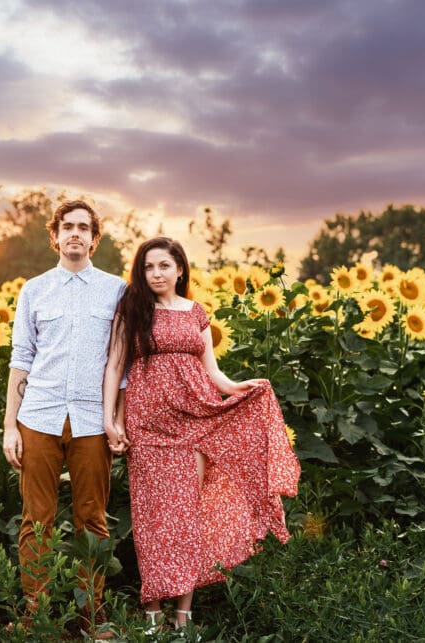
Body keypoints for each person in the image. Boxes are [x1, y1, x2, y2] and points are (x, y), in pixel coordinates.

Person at [102, 237, 300, 630]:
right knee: (152, 517)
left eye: (163, 266)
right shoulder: (133, 309)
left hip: (194, 420)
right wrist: (111, 419)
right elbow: (114, 366)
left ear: (180, 269)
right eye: (148, 267)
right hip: (148, 426)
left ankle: (182, 615)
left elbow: (213, 372)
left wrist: (240, 387)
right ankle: (153, 614)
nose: (156, 274)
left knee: (186, 515)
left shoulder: (196, 312)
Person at [2, 199, 126, 631]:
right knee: (37, 518)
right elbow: (21, 358)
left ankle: (90, 613)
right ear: (54, 236)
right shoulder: (34, 290)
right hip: (39, 416)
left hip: (93, 419)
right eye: (67, 226)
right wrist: (9, 428)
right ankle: (37, 611)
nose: (75, 233)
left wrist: (119, 420)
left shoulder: (116, 291)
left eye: (84, 227)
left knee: (92, 518)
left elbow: (121, 361)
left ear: (95, 239)